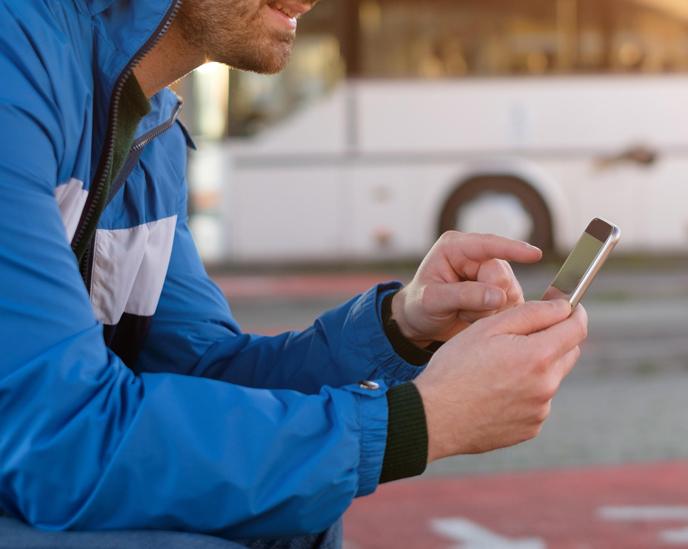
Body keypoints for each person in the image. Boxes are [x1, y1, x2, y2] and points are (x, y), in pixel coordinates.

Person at [0, 1, 588, 547]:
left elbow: (205, 377)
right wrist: (426, 419)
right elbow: (56, 439)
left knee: (289, 522)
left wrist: (401, 328)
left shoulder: (154, 134)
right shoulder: (17, 55)